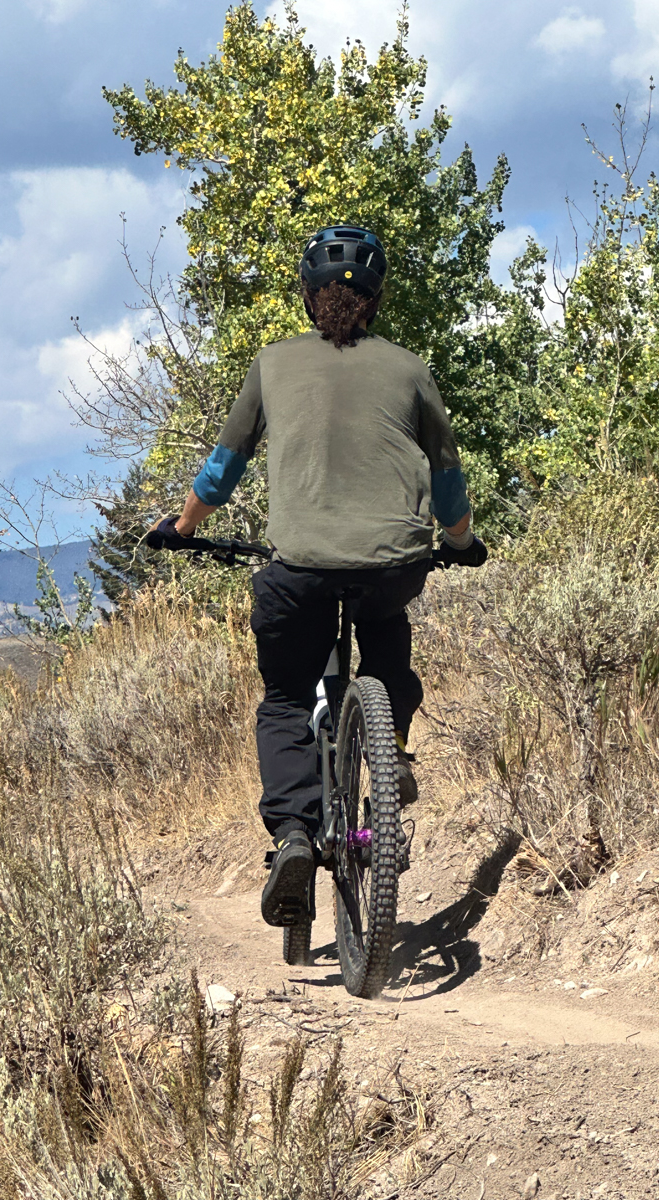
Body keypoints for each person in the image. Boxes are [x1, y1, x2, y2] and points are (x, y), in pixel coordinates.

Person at [152, 224, 487, 928]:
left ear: (309, 298)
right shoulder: (409, 368)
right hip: (392, 562)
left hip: (299, 569)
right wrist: (459, 540)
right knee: (388, 638)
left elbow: (224, 465)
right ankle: (387, 757)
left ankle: (295, 836)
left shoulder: (273, 364)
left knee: (281, 698)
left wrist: (182, 528)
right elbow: (447, 475)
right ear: (375, 301)